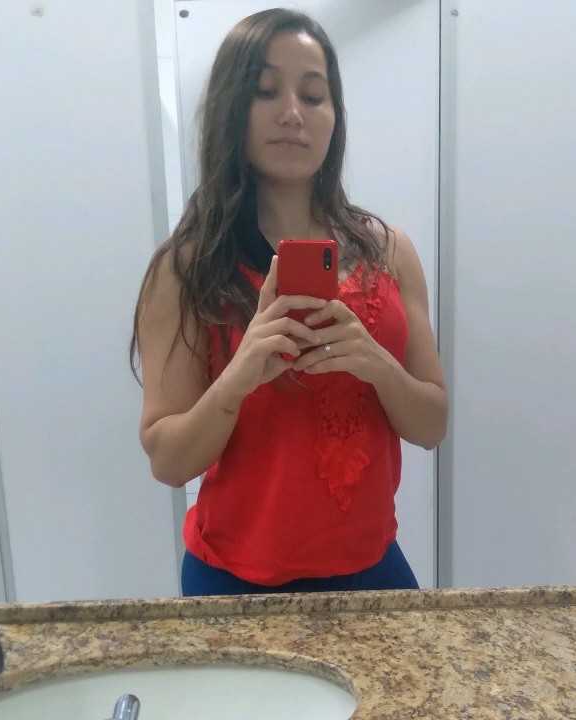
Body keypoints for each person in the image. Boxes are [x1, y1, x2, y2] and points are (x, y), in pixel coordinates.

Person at [131, 8, 448, 596]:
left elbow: (432, 425)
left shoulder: (390, 252)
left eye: (313, 94)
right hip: (235, 582)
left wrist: (377, 366)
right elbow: (168, 462)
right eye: (265, 90)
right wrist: (238, 379)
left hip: (374, 569)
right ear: (232, 107)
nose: (292, 113)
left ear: (335, 116)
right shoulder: (188, 269)